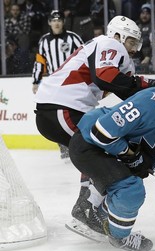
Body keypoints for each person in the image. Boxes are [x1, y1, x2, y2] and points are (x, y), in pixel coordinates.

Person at [33, 16, 155, 224]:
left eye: (136, 44)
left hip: (59, 109)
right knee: (100, 146)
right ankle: (86, 208)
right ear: (117, 35)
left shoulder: (116, 57)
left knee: (100, 149)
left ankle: (87, 206)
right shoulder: (109, 42)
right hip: (61, 108)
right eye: (131, 41)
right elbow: (105, 77)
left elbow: (130, 90)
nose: (133, 49)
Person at [68, 69, 155, 251]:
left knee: (131, 177)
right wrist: (130, 154)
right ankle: (118, 236)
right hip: (89, 144)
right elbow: (101, 132)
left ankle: (93, 214)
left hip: (111, 154)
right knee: (131, 190)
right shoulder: (149, 103)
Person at [32, 10, 84, 161]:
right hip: (55, 83)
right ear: (49, 22)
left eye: (59, 20)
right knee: (54, 114)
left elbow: (85, 56)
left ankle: (75, 143)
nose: (56, 23)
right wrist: (36, 80)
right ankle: (63, 144)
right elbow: (40, 61)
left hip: (73, 83)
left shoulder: (73, 38)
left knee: (72, 112)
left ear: (63, 22)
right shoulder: (44, 41)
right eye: (53, 20)